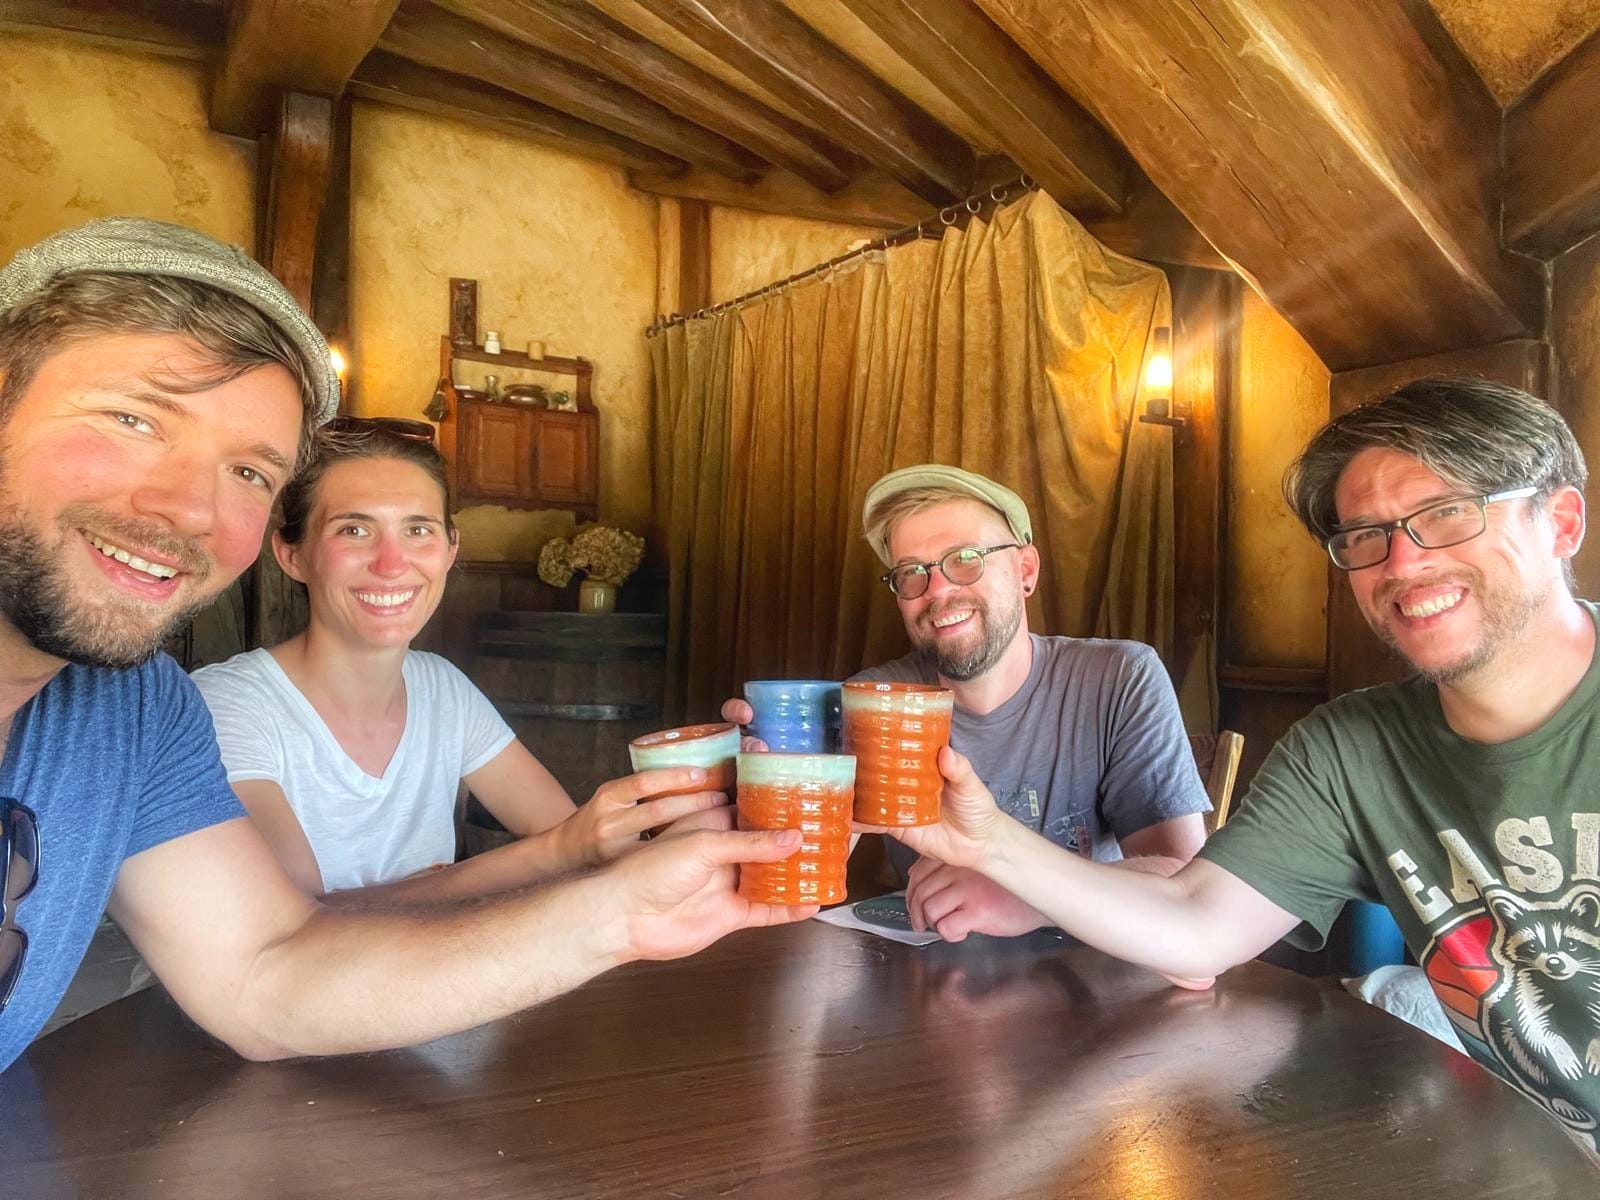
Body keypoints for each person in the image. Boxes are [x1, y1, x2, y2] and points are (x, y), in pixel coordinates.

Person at [0, 217, 812, 1074]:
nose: (193, 510)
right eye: (133, 418)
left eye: (248, 471)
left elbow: (266, 973)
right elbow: (307, 923)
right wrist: (571, 861)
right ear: (296, 554)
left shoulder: (135, 712)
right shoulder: (211, 701)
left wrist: (621, 913)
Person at [862, 379, 1600, 1149]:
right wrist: (987, 843)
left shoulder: (1116, 674)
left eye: (1447, 514)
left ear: (1561, 522)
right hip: (1524, 1142)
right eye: (1366, 537)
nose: (1403, 563)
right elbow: (1197, 932)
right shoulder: (1350, 748)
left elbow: (1173, 874)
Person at [192, 423, 701, 900]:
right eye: (354, 530)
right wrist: (536, 858)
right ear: (291, 554)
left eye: (418, 531)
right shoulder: (226, 705)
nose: (393, 565)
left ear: (451, 549)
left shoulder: (442, 688)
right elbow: (300, 919)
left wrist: (724, 793)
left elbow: (569, 836)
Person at [724, 465, 1210, 943]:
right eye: (911, 573)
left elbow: (1186, 882)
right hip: (924, 993)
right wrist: (766, 792)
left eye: (965, 558)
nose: (937, 589)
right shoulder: (869, 703)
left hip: (1097, 981)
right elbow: (794, 880)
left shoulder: (1119, 678)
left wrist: (1031, 897)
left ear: (1025, 570)